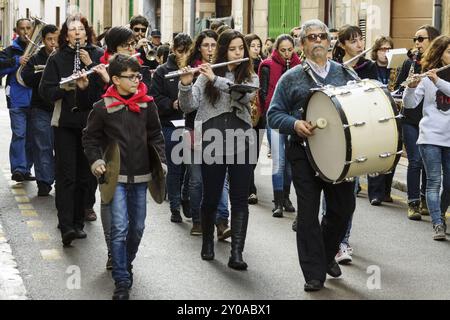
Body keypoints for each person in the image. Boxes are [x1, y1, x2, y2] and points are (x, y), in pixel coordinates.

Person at [268, 19, 357, 292]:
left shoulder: (345, 74)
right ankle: (314, 273)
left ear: (329, 42)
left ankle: (327, 254)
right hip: (303, 154)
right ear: (302, 44)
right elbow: (273, 114)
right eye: (311, 37)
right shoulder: (291, 77)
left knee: (343, 209)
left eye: (322, 36)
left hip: (338, 155)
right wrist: (294, 124)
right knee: (307, 215)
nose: (317, 40)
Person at [83, 54, 166, 300]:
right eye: (131, 77)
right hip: (115, 178)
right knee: (119, 228)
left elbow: (156, 135)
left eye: (138, 76)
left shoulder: (147, 104)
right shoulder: (102, 107)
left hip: (142, 176)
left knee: (137, 228)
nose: (136, 81)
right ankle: (121, 279)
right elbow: (90, 138)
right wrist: (96, 160)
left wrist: (160, 161)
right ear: (116, 79)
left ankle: (125, 263)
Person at [178, 29, 259, 270]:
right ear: (223, 50)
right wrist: (185, 84)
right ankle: (207, 243)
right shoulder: (205, 75)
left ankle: (236, 253)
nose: (237, 53)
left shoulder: (249, 76)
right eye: (232, 49)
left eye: (240, 49)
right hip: (212, 140)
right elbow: (188, 106)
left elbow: (243, 97)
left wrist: (215, 79)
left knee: (239, 198)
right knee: (211, 195)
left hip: (242, 140)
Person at [39, 14, 104, 247]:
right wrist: (66, 87)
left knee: (84, 177)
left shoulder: (97, 54)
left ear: (87, 33)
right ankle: (66, 225)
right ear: (66, 35)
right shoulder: (56, 58)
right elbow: (45, 91)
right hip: (65, 123)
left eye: (81, 29)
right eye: (72, 29)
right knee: (67, 175)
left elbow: (103, 90)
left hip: (90, 124)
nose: (77, 33)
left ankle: (78, 222)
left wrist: (89, 65)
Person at [331, 25, 378, 265]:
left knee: (349, 192)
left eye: (361, 40)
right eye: (353, 41)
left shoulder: (369, 68)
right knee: (330, 193)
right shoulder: (334, 69)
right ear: (342, 45)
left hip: (359, 135)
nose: (359, 45)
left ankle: (343, 241)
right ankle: (331, 240)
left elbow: (378, 97)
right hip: (335, 136)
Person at [184, 30, 231, 238]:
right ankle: (198, 220)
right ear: (199, 48)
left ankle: (222, 221)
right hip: (194, 128)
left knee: (220, 179)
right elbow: (188, 105)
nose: (210, 49)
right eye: (206, 45)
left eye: (214, 45)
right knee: (196, 179)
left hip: (219, 131)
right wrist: (187, 83)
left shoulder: (223, 69)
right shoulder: (192, 71)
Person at [403, 35, 450, 241]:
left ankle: (439, 213)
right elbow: (411, 104)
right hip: (430, 136)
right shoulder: (427, 76)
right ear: (440, 53)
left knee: (449, 184)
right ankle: (438, 222)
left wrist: (437, 81)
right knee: (434, 182)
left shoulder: (435, 78)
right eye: (449, 51)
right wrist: (411, 86)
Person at [395, 25, 440, 221]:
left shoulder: (439, 65)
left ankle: (424, 200)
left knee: (428, 164)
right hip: (411, 118)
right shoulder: (409, 63)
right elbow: (398, 88)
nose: (417, 43)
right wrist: (409, 87)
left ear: (433, 40)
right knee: (414, 160)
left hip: (430, 121)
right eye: (415, 39)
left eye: (421, 39)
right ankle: (413, 202)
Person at [150, 33, 193, 223]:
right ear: (174, 50)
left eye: (187, 51)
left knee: (192, 167)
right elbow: (155, 98)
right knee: (175, 167)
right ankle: (175, 205)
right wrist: (172, 104)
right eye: (180, 51)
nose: (184, 55)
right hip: (170, 125)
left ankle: (185, 196)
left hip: (192, 124)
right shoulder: (162, 71)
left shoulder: (196, 68)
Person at [260, 34, 301, 218]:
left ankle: (286, 197)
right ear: (276, 49)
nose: (286, 54)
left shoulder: (299, 66)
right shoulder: (267, 65)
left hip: (293, 119)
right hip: (275, 117)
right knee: (278, 159)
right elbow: (263, 93)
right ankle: (277, 202)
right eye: (283, 50)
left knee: (291, 161)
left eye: (290, 50)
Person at [20, 24, 59, 196]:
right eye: (49, 39)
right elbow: (26, 78)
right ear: (43, 41)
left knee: (61, 147)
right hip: (40, 108)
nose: (53, 43)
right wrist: (45, 74)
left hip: (61, 108)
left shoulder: (64, 56)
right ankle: (44, 182)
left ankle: (61, 179)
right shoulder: (35, 58)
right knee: (42, 146)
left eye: (56, 39)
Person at [0, 18, 35, 183]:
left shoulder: (38, 49)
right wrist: (16, 61)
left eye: (29, 28)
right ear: (17, 30)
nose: (26, 32)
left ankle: (26, 168)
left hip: (36, 100)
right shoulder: (10, 51)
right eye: (22, 28)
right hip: (17, 99)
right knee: (19, 134)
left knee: (31, 137)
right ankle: (18, 169)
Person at [244, 33, 264, 205]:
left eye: (259, 45)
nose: (257, 49)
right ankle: (250, 188)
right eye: (253, 46)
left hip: (259, 113)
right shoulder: (243, 65)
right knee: (247, 152)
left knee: (255, 153)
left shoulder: (263, 64)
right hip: (245, 111)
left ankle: (248, 180)